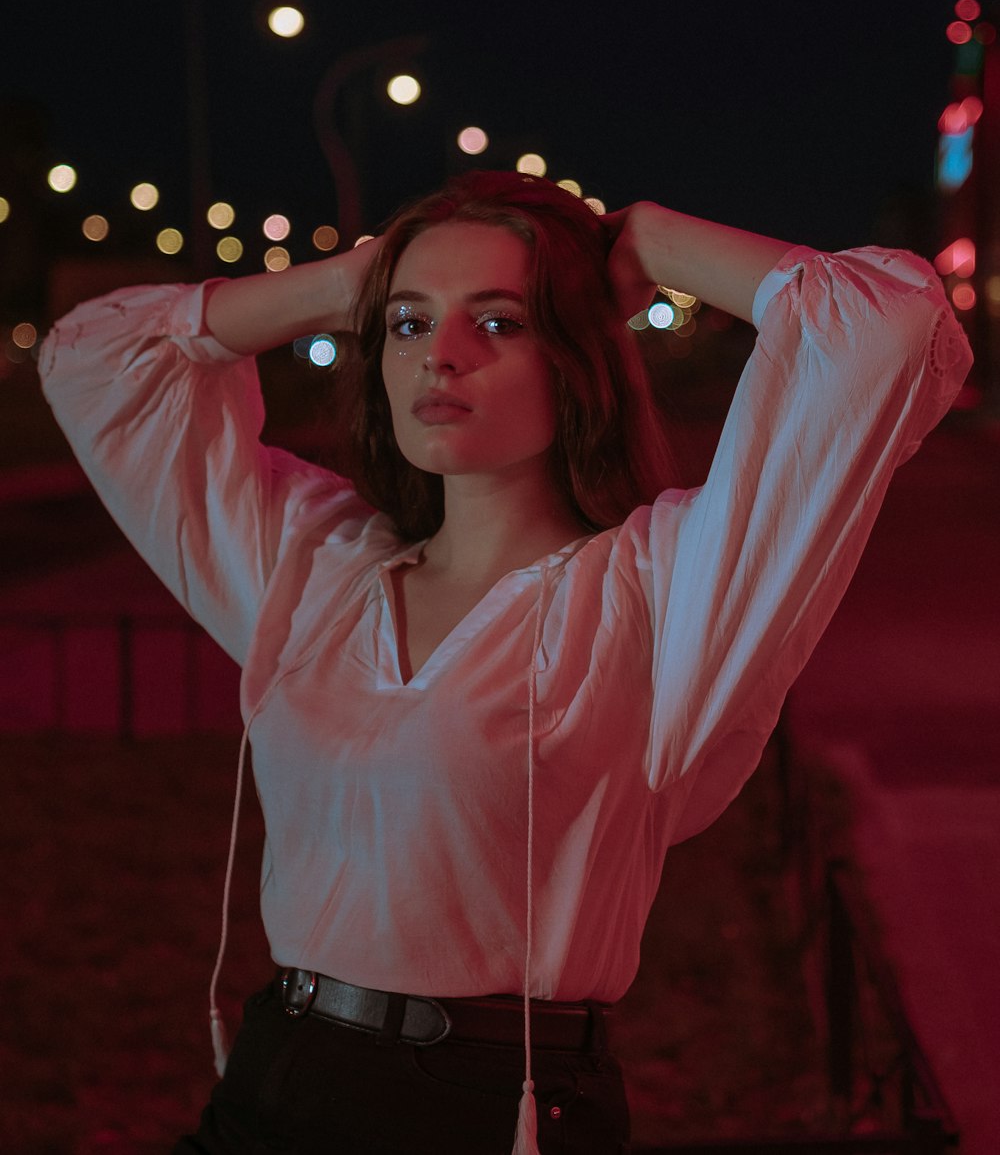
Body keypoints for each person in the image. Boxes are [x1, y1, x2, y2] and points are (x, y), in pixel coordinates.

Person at [39, 171, 972, 1155]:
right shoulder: (317, 568)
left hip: (495, 1106)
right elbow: (96, 359)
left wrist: (646, 243)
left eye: (498, 323)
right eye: (406, 324)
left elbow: (890, 326)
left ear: (576, 358)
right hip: (277, 1081)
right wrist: (358, 276)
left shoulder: (656, 592)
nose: (438, 355)